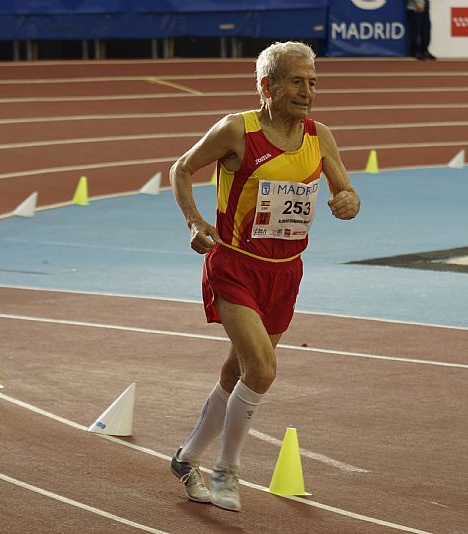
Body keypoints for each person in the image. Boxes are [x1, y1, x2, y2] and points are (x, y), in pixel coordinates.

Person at [168, 41, 360, 512]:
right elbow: (182, 168)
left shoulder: (320, 136)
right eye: (297, 81)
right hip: (233, 266)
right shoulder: (237, 130)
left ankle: (186, 456)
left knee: (238, 371)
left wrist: (349, 202)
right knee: (262, 370)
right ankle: (227, 471)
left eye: (313, 82)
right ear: (266, 85)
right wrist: (195, 221)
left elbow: (346, 190)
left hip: (284, 273)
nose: (307, 91)